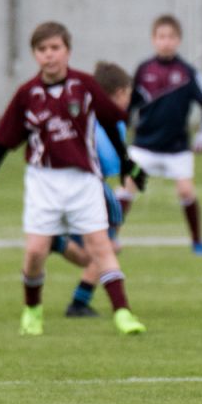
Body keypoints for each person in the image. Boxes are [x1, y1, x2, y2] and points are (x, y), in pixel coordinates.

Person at [0, 21, 149, 337]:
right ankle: (32, 311)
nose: (49, 56)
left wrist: (126, 163)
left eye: (55, 48)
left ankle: (123, 313)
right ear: (35, 55)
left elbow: (110, 123)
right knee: (36, 251)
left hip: (83, 180)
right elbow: (4, 142)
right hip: (43, 181)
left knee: (101, 247)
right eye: (42, 50)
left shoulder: (85, 86)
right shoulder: (27, 94)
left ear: (67, 51)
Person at [126, 14, 202, 255]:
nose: (166, 41)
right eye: (161, 37)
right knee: (127, 187)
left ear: (178, 40)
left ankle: (197, 241)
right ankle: (109, 237)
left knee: (186, 191)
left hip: (177, 148)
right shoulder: (143, 70)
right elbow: (128, 104)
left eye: (171, 37)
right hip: (144, 146)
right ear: (153, 39)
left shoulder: (188, 72)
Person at [54, 61, 134, 318]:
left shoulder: (78, 115)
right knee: (105, 248)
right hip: (91, 189)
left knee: (98, 251)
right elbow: (110, 165)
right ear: (121, 93)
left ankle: (80, 300)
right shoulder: (112, 121)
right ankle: (79, 300)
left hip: (58, 187)